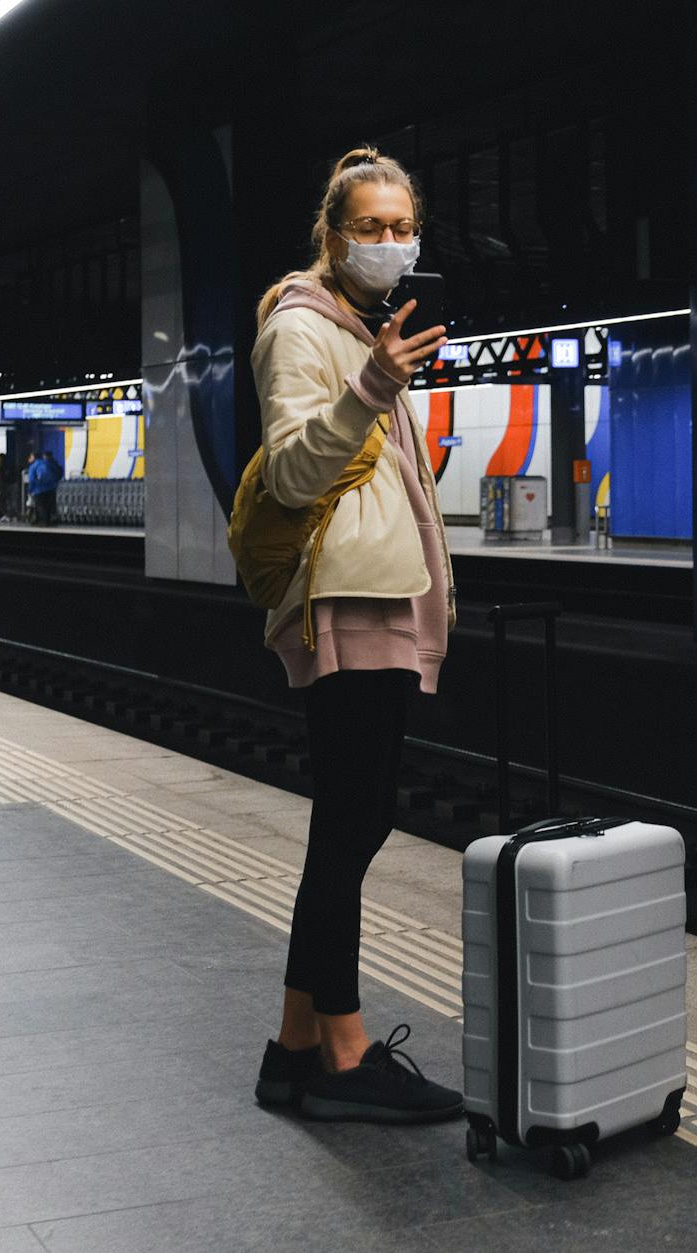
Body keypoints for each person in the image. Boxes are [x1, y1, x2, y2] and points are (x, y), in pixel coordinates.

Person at [248, 146, 460, 1124]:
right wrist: (370, 386)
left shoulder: (357, 325)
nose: (388, 243)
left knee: (353, 822)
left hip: (379, 597)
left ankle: (292, 1051)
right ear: (332, 235)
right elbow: (293, 474)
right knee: (349, 825)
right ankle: (343, 1050)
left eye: (400, 228)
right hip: (347, 606)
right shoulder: (302, 326)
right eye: (369, 227)